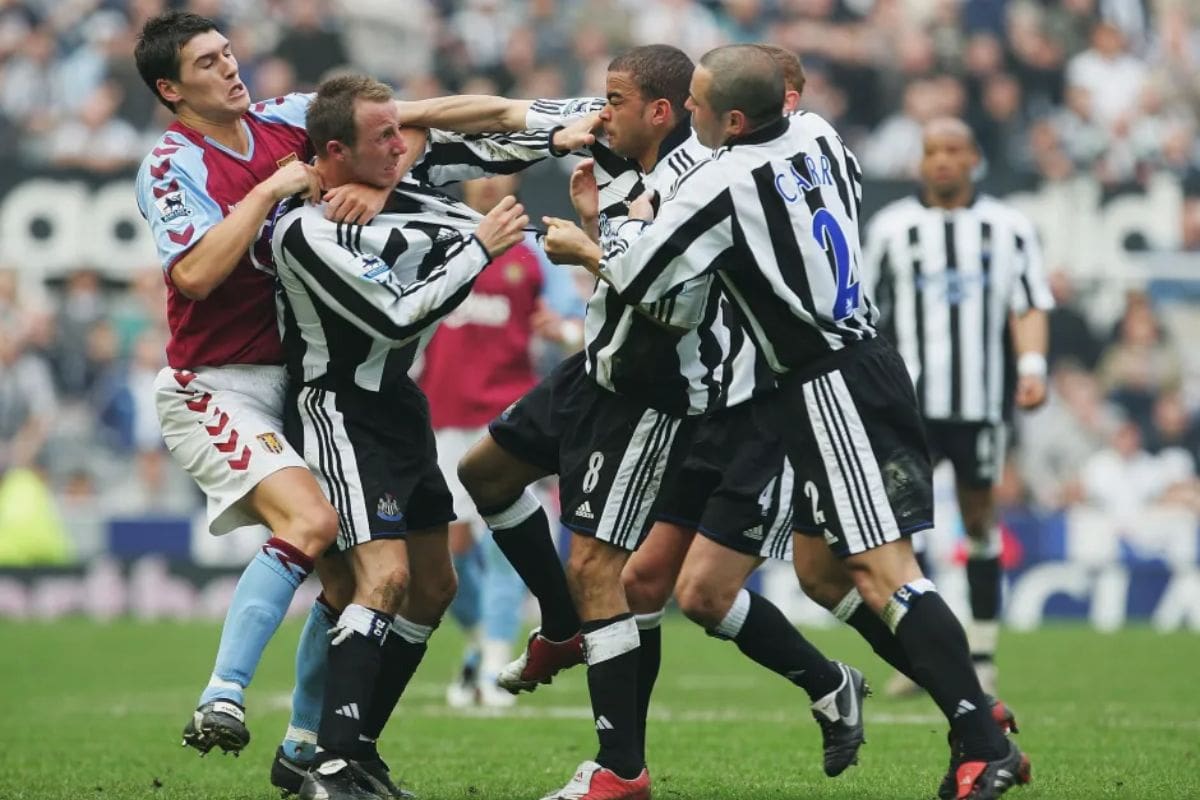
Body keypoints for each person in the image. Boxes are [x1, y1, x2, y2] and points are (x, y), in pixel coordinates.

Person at [542, 44, 1032, 800]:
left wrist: (586, 237)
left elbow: (645, 283)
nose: (690, 117)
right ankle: (965, 699)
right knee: (821, 572)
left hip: (826, 382)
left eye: (699, 107)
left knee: (882, 569)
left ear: (733, 119)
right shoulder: (821, 135)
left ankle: (981, 736)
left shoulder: (718, 183)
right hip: (842, 369)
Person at [401, 44, 861, 800]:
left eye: (613, 101)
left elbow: (672, 309)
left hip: (656, 389)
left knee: (609, 573)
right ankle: (561, 626)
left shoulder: (696, 180)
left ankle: (620, 773)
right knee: (483, 473)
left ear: (660, 111)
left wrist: (589, 239)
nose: (598, 111)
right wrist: (400, 113)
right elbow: (501, 114)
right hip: (598, 364)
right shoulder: (608, 132)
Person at [269, 74, 589, 800]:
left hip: (400, 406)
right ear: (333, 151)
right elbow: (394, 318)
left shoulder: (398, 188)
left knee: (435, 584)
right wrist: (481, 247)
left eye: (401, 130)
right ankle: (327, 761)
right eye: (384, 136)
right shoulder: (304, 229)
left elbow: (465, 140)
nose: (402, 143)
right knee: (383, 579)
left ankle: (360, 751)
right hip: (342, 409)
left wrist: (555, 136)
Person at [133, 10, 393, 758]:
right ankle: (221, 697)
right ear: (171, 90)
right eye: (208, 63)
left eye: (227, 52)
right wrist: (272, 190)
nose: (231, 67)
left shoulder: (283, 117)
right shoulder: (171, 163)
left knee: (347, 581)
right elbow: (197, 274)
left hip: (294, 388)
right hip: (213, 386)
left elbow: (400, 118)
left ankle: (304, 748)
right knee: (311, 527)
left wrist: (547, 119)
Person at [615, 44, 866, 779]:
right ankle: (622, 763)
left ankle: (950, 695)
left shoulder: (747, 170)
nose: (693, 113)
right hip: (711, 405)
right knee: (646, 581)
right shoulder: (735, 159)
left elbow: (658, 284)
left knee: (722, 589)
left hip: (767, 404)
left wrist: (614, 234)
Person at [864, 117, 1053, 695]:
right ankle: (923, 658)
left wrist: (1032, 367)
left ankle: (984, 652)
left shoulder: (1009, 227)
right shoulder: (893, 228)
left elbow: (1029, 304)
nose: (941, 160)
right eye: (931, 151)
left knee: (978, 519)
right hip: (909, 404)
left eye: (952, 149)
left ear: (974, 158)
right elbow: (866, 314)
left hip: (980, 402)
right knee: (904, 527)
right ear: (919, 162)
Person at [418, 173, 586, 710]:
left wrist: (559, 330)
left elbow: (580, 324)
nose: (488, 183)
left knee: (504, 545)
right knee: (449, 556)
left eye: (497, 172)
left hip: (506, 417)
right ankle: (476, 646)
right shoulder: (437, 239)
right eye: (478, 173)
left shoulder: (533, 248)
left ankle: (494, 664)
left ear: (513, 177)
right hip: (441, 417)